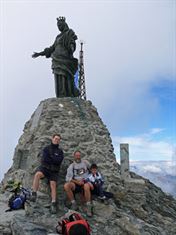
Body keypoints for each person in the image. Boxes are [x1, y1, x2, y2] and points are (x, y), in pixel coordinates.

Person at [32, 16, 79, 98]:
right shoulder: (57, 37)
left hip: (65, 58)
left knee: (66, 74)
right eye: (58, 26)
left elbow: (72, 41)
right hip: (56, 59)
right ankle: (61, 94)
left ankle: (67, 93)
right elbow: (51, 49)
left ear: (64, 25)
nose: (59, 27)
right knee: (58, 76)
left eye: (60, 25)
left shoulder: (69, 32)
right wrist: (39, 53)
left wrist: (71, 47)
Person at [31, 134, 64, 214]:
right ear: (52, 139)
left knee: (53, 185)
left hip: (54, 171)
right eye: (56, 138)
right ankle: (34, 194)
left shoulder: (60, 151)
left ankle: (53, 203)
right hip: (45, 169)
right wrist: (53, 159)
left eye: (58, 139)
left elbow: (59, 161)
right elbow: (45, 159)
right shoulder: (46, 148)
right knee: (37, 175)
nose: (57, 140)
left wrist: (51, 158)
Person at [64, 151, 93, 217]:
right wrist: (77, 182)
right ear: (74, 156)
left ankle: (88, 206)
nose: (78, 157)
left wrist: (89, 181)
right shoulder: (72, 166)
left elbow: (92, 170)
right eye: (76, 155)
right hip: (76, 183)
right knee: (66, 186)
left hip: (85, 181)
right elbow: (68, 178)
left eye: (79, 155)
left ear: (81, 156)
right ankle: (74, 204)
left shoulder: (85, 162)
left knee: (86, 186)